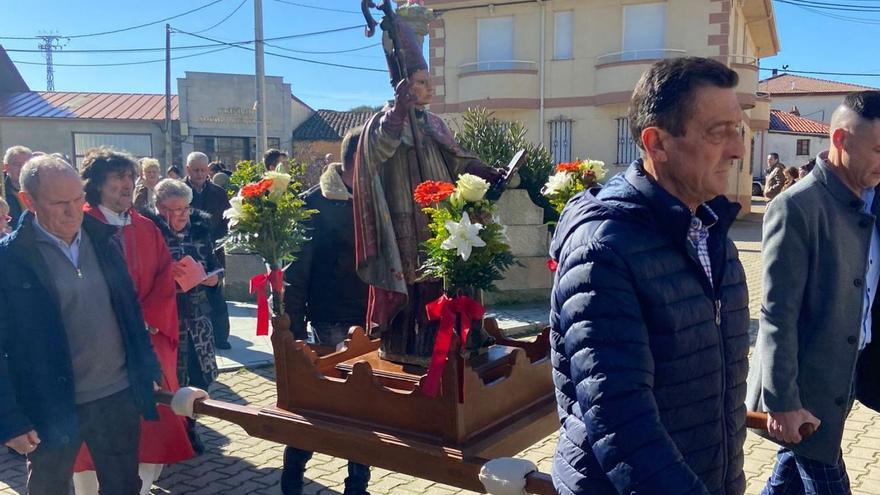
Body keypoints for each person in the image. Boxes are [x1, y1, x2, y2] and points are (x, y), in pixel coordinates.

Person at [548, 57, 750, 495]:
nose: (737, 150)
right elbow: (621, 421)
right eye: (719, 133)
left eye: (739, 130)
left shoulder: (712, 229)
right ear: (656, 142)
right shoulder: (604, 248)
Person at [0, 155, 162, 495]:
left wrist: (146, 367)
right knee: (50, 487)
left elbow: (128, 308)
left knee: (122, 486)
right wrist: (10, 418)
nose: (73, 211)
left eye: (78, 199)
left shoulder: (102, 239)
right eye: (59, 203)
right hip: (52, 403)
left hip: (117, 396)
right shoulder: (10, 261)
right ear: (27, 200)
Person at [746, 91, 880, 494]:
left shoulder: (871, 199)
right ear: (840, 141)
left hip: (850, 374)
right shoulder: (798, 207)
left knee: (786, 480)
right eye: (878, 149)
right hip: (805, 389)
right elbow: (776, 315)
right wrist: (782, 402)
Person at [354, 19, 502, 366]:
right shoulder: (384, 120)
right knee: (418, 279)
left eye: (428, 81)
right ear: (404, 85)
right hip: (406, 212)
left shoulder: (435, 123)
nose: (429, 88)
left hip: (442, 213)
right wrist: (399, 112)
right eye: (421, 82)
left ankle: (455, 339)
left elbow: (458, 158)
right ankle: (412, 346)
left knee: (448, 275)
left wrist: (484, 171)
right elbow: (376, 152)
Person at [73, 148, 194, 494]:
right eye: (118, 178)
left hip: (146, 340)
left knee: (149, 423)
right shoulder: (79, 225)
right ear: (96, 183)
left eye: (130, 177)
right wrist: (119, 322)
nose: (128, 184)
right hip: (99, 346)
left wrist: (145, 320)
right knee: (95, 434)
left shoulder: (145, 227)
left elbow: (162, 281)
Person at [281, 128, 371, 495]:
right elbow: (296, 272)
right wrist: (294, 333)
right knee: (321, 404)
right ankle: (292, 476)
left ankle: (357, 486)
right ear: (356, 161)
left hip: (371, 320)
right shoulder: (314, 204)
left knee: (364, 406)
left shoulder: (374, 198)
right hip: (331, 320)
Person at [149, 177, 220, 453]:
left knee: (198, 377)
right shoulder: (148, 232)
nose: (180, 215)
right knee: (169, 380)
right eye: (173, 209)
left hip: (197, 319)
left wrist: (210, 279)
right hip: (165, 322)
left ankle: (190, 429)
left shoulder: (200, 231)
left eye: (185, 209)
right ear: (158, 207)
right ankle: (169, 435)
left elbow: (216, 269)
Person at [185, 151, 232, 350]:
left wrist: (220, 240)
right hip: (187, 250)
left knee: (216, 296)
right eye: (195, 170)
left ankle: (221, 337)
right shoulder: (178, 190)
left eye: (203, 170)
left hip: (213, 250)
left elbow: (226, 221)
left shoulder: (218, 193)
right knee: (190, 297)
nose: (199, 174)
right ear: (188, 169)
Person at [3, 145, 31, 229]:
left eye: (27, 164)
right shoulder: (2, 193)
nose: (22, 169)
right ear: (7, 167)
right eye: (17, 165)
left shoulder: (41, 190)